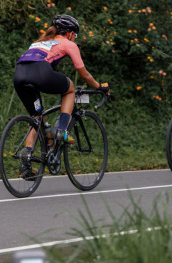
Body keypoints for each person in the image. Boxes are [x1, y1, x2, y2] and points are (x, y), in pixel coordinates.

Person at [14, 14, 110, 179]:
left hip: (19, 75)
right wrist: (99, 86)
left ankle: (27, 156)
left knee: (37, 117)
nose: (75, 38)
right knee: (70, 89)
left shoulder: (39, 42)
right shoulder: (69, 44)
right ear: (70, 33)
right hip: (40, 73)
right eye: (75, 35)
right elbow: (84, 74)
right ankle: (62, 130)